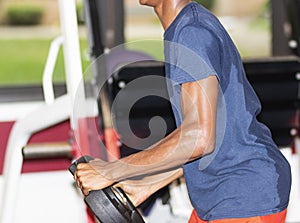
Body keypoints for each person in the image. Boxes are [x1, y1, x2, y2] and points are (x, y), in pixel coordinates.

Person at [74, 0, 292, 222]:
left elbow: (198, 137)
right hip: (223, 193)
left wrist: (111, 171)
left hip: (244, 196)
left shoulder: (192, 32)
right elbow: (215, 137)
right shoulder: (184, 27)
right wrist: (147, 185)